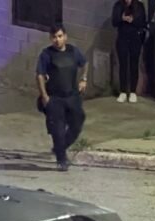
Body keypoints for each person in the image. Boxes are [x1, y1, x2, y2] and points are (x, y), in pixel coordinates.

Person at [36, 23, 88, 172]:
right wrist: (44, 96)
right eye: (54, 37)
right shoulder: (46, 54)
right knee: (57, 130)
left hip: (71, 96)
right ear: (50, 38)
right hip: (54, 98)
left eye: (59, 36)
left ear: (65, 36)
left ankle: (60, 147)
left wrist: (83, 79)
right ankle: (61, 160)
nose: (57, 40)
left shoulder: (73, 52)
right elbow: (39, 75)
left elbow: (84, 63)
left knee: (77, 123)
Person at [112, 0, 147, 104]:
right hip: (122, 37)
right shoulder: (118, 5)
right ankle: (123, 91)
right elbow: (114, 22)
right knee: (123, 64)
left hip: (135, 38)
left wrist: (133, 20)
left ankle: (132, 92)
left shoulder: (139, 6)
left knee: (134, 64)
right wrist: (121, 18)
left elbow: (143, 23)